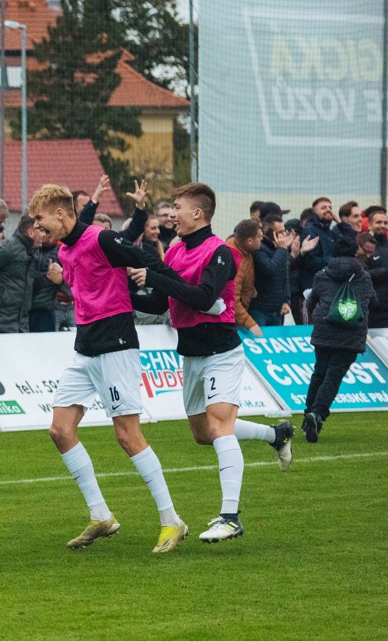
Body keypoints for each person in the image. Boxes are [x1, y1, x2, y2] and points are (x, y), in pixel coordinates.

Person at [128, 183, 295, 544]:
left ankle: (230, 517)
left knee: (220, 427)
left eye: (178, 206)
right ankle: (276, 434)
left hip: (222, 352)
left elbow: (204, 297)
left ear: (198, 213)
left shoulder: (219, 251)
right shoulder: (173, 253)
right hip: (191, 354)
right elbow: (160, 304)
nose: (173, 213)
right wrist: (122, 293)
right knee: (204, 434)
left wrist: (154, 276)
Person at [27, 185, 187, 553]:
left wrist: (187, 292)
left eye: (40, 219)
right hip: (84, 348)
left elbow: (150, 262)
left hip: (116, 346)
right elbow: (84, 283)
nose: (37, 227)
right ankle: (101, 515)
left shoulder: (102, 238)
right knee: (60, 429)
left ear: (62, 214)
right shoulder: (65, 249)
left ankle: (171, 520)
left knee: (128, 437)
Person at [303, 236, 375, 443]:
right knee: (334, 375)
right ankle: (317, 414)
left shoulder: (322, 275)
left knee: (319, 372)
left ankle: (308, 415)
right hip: (352, 334)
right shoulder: (364, 276)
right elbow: (373, 302)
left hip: (325, 331)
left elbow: (311, 301)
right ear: (355, 251)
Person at [0, 215, 38, 334]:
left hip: (20, 324)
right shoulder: (8, 247)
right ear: (31, 232)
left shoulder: (32, 252)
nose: (45, 235)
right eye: (42, 231)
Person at [227, 220, 264, 337]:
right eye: (259, 236)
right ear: (249, 241)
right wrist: (251, 324)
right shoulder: (235, 262)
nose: (262, 238)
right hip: (231, 320)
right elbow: (232, 300)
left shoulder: (244, 249)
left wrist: (250, 289)